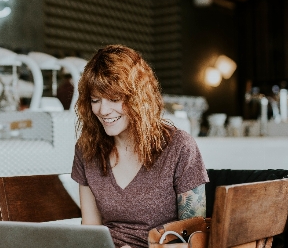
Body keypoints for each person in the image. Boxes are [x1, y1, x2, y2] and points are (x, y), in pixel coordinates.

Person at [71, 44, 209, 248]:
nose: (103, 110)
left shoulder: (179, 146)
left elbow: (196, 240)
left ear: (138, 98)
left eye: (115, 99)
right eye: (95, 100)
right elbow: (91, 232)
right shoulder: (87, 149)